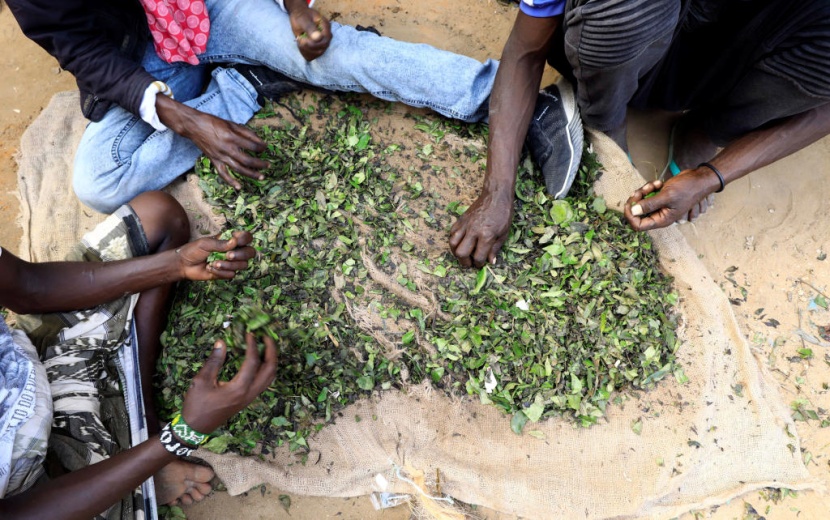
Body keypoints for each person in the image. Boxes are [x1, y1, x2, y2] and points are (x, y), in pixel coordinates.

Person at [6, 0, 499, 214]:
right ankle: (246, 85)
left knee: (331, 57)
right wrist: (190, 121)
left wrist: (295, 5)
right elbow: (84, 53)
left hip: (213, 9)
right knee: (98, 183)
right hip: (143, 58)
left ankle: (492, 93)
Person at [450, 0, 830, 268]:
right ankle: (607, 125)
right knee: (625, 9)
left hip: (716, 65)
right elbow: (525, 51)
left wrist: (711, 176)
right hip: (611, 48)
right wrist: (497, 191)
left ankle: (705, 130)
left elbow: (822, 112)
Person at [0, 190, 276, 518]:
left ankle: (142, 434)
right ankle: (142, 463)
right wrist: (183, 433)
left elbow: (29, 285)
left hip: (30, 368)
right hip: (39, 491)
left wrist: (175, 264)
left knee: (159, 216)